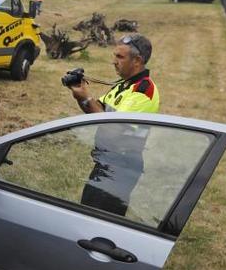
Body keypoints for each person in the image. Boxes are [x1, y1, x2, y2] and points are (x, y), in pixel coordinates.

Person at [66, 34, 160, 216]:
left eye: (120, 57)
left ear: (138, 61)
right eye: (114, 55)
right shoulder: (124, 85)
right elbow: (98, 109)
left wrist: (86, 97)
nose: (114, 61)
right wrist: (82, 96)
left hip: (121, 168)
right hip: (107, 162)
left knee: (102, 222)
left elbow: (111, 127)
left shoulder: (143, 91)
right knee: (88, 213)